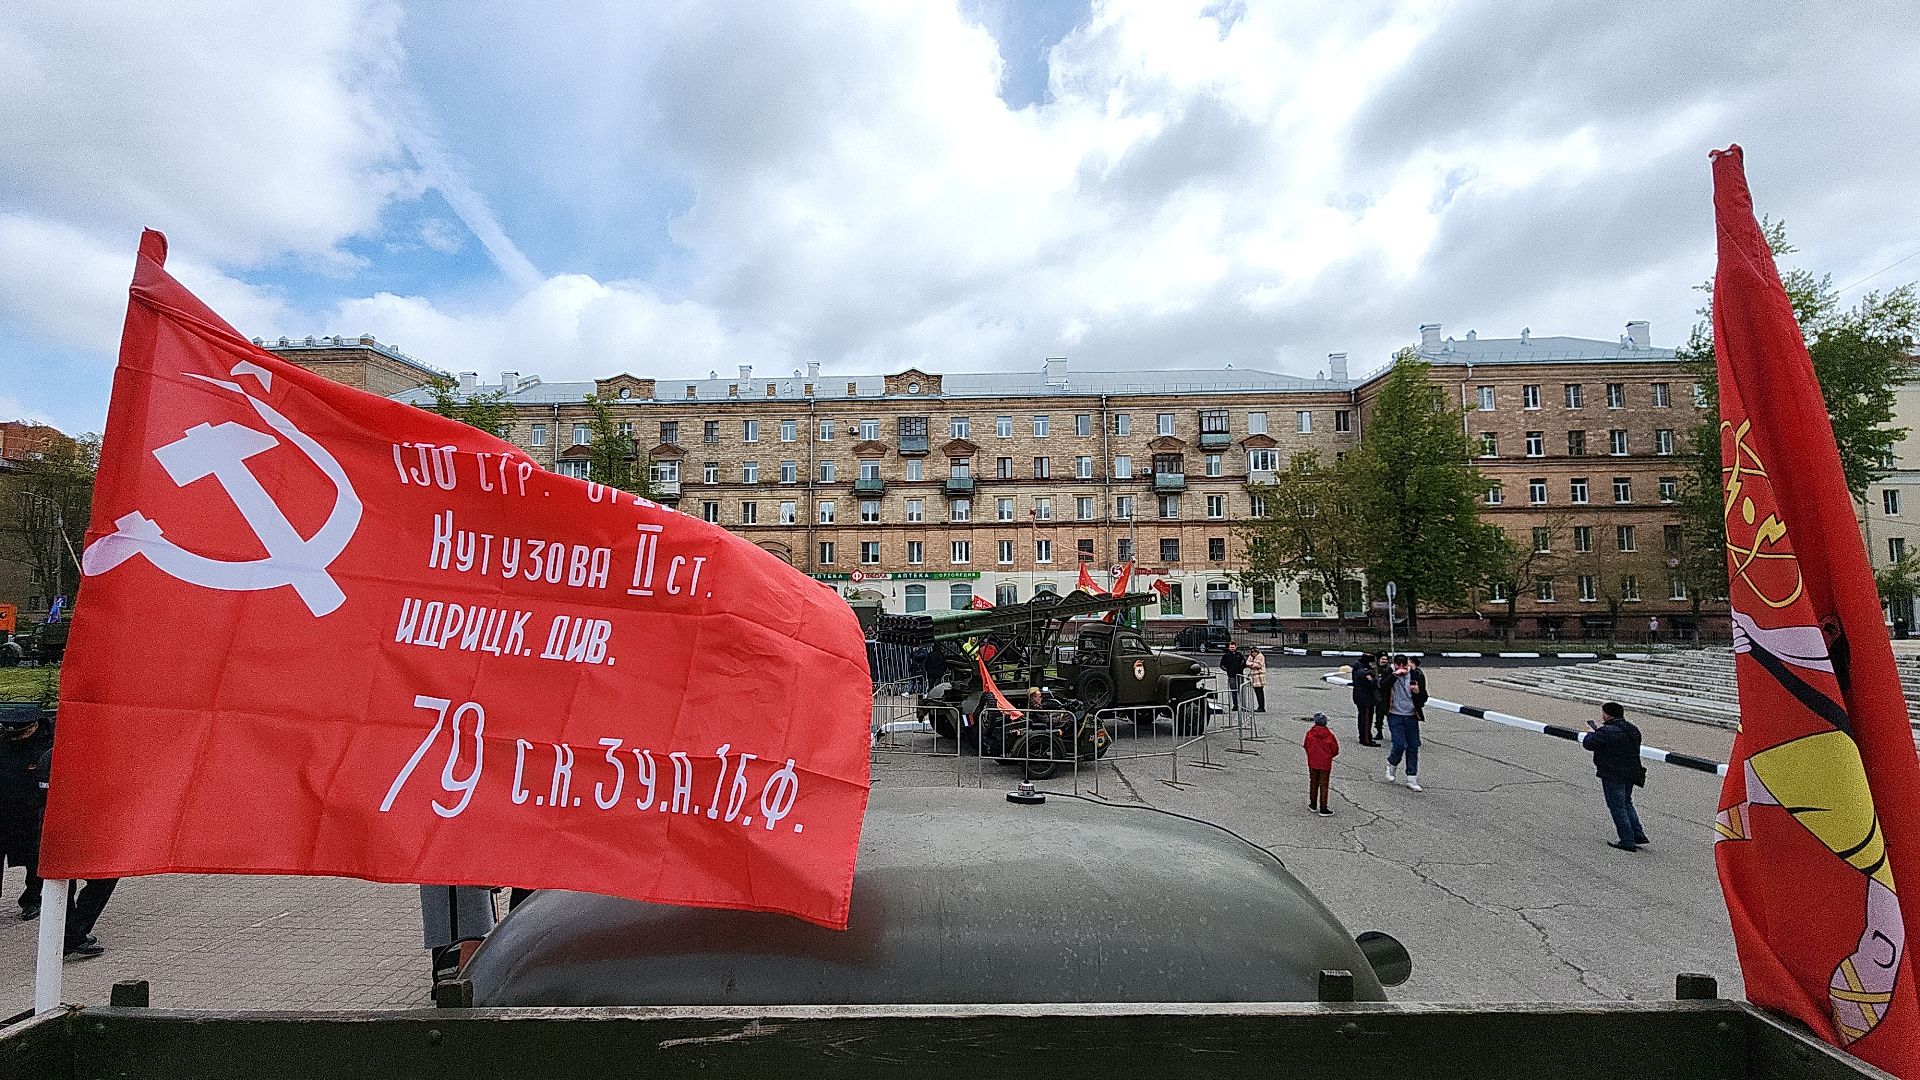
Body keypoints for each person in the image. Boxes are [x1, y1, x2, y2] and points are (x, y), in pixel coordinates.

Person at [1, 707, 53, 922]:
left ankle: (32, 900)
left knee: (34, 861)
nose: (14, 736)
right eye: (9, 732)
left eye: (19, 732)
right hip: (3, 812)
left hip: (33, 814)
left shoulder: (46, 745)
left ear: (34, 726)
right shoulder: (4, 743)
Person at [1583, 702, 1649, 852]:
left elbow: (1589, 744)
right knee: (1627, 802)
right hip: (1632, 771)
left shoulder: (1607, 732)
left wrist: (1591, 733)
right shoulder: (1632, 729)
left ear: (1607, 714)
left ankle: (1627, 840)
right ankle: (1638, 834)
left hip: (1613, 773)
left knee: (1617, 806)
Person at [420, 884, 496, 982]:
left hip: (471, 893)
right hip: (447, 890)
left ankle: (453, 980)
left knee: (473, 932)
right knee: (448, 934)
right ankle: (448, 981)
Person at [1377, 654, 1427, 791]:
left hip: (1411, 714)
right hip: (1395, 714)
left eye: (1404, 666)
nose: (1401, 668)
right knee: (1399, 744)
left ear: (1408, 664)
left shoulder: (1416, 674)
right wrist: (1395, 675)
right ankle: (1391, 764)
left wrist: (1418, 692)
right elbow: (1382, 686)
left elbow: (1424, 697)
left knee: (1413, 746)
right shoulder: (1389, 672)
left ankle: (1412, 777)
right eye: (1398, 665)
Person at [1304, 712, 1339, 815]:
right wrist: (1328, 756)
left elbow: (1306, 745)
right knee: (1324, 784)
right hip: (1325, 763)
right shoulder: (1329, 735)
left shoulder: (1310, 733)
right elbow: (1335, 749)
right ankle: (1323, 807)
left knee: (1313, 782)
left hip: (1313, 762)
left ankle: (1313, 804)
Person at [1350, 653, 1378, 746]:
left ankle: (1364, 736)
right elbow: (1365, 676)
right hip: (1365, 697)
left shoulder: (1359, 665)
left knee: (1364, 717)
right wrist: (1370, 675)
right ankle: (1366, 739)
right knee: (1366, 719)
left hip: (1362, 696)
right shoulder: (1362, 668)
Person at [1220, 641, 1247, 709]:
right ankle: (1235, 705)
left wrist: (1241, 668)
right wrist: (1228, 670)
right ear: (1229, 647)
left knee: (1241, 690)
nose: (1232, 648)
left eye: (1233, 647)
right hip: (1231, 676)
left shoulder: (1239, 655)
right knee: (1233, 691)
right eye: (1230, 647)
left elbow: (1244, 663)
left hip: (1240, 675)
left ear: (1236, 647)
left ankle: (1242, 705)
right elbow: (1221, 665)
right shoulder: (1226, 655)